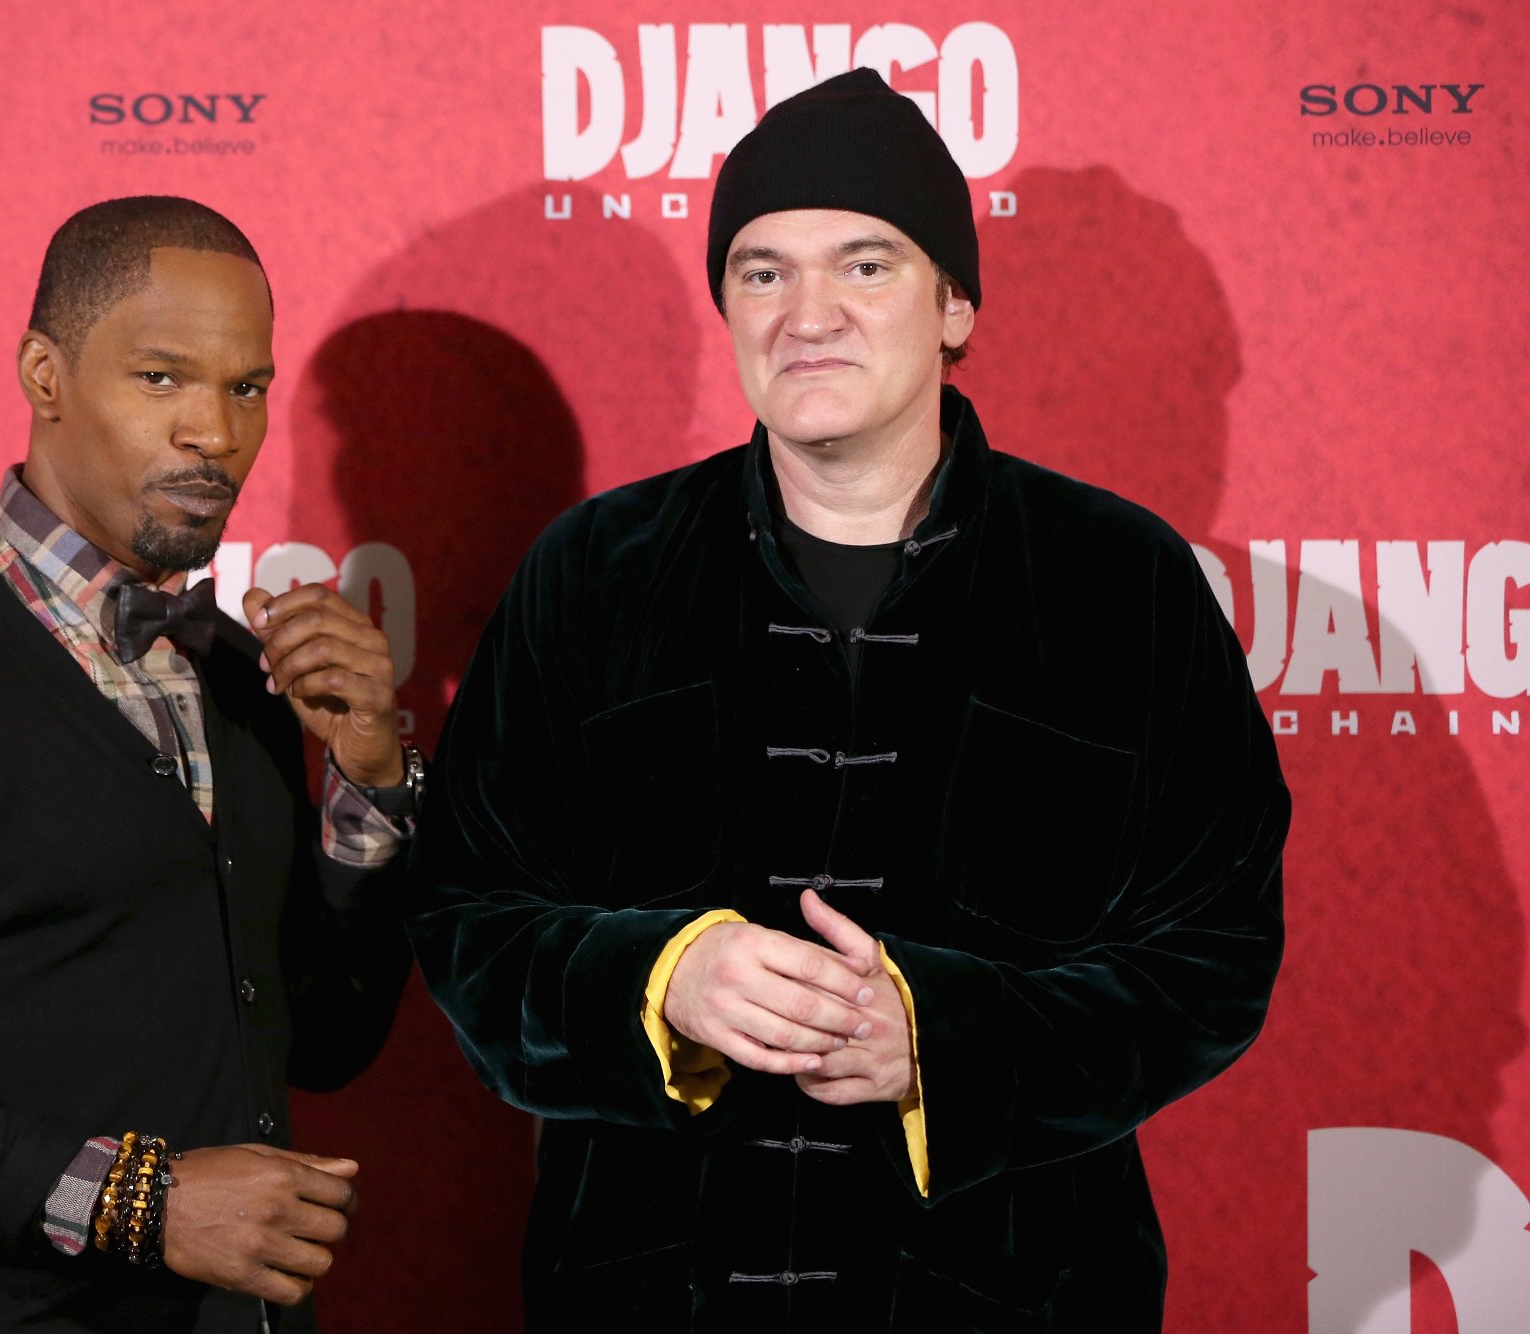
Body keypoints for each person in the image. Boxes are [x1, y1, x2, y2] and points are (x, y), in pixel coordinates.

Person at [407, 68, 1288, 1332]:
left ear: (954, 302)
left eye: (863, 265)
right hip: (648, 1290)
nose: (804, 313)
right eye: (762, 271)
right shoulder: (591, 573)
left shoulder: (1119, 583)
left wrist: (946, 1041)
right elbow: (467, 916)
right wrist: (663, 980)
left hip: (1009, 1293)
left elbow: (1210, 954)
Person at [0, 196, 419, 1333]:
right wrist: (141, 1204)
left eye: (245, 386)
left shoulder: (238, 674)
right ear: (45, 375)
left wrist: (368, 775)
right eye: (161, 378)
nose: (214, 429)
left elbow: (326, 1040)